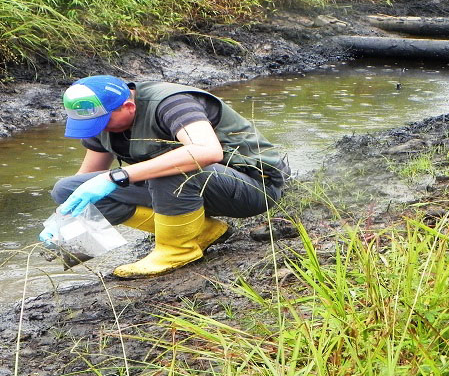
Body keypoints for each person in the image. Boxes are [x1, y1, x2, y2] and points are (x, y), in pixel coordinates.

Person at [40, 75, 290, 278]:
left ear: (128, 106)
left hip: (254, 187)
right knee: (66, 189)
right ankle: (204, 232)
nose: (98, 128)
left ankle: (177, 249)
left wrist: (115, 177)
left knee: (172, 165)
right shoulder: (102, 123)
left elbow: (206, 150)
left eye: (103, 121)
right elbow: (87, 179)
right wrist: (63, 220)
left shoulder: (172, 103)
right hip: (191, 190)